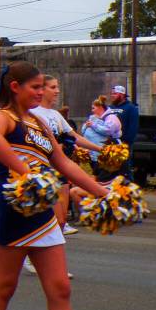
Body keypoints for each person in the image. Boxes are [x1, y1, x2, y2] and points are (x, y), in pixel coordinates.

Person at [0, 61, 121, 310]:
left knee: (60, 287)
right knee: (4, 286)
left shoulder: (38, 122)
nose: (42, 93)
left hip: (41, 208)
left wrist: (103, 192)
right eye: (36, 87)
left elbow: (63, 161)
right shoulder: (1, 117)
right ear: (15, 86)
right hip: (13, 205)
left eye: (43, 87)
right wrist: (24, 172)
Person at [29, 76, 102, 236]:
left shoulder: (55, 115)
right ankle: (31, 256)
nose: (57, 91)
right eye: (53, 87)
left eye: (57, 87)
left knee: (61, 221)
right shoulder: (32, 113)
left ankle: (41, 255)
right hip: (43, 172)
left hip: (60, 170)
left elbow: (74, 136)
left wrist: (100, 148)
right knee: (49, 219)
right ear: (42, 89)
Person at [110, 84, 139, 178]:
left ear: (122, 95)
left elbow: (133, 127)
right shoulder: (110, 108)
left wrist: (126, 142)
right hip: (110, 143)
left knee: (125, 166)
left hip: (123, 143)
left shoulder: (131, 108)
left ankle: (128, 186)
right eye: (112, 94)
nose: (112, 96)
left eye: (115, 94)